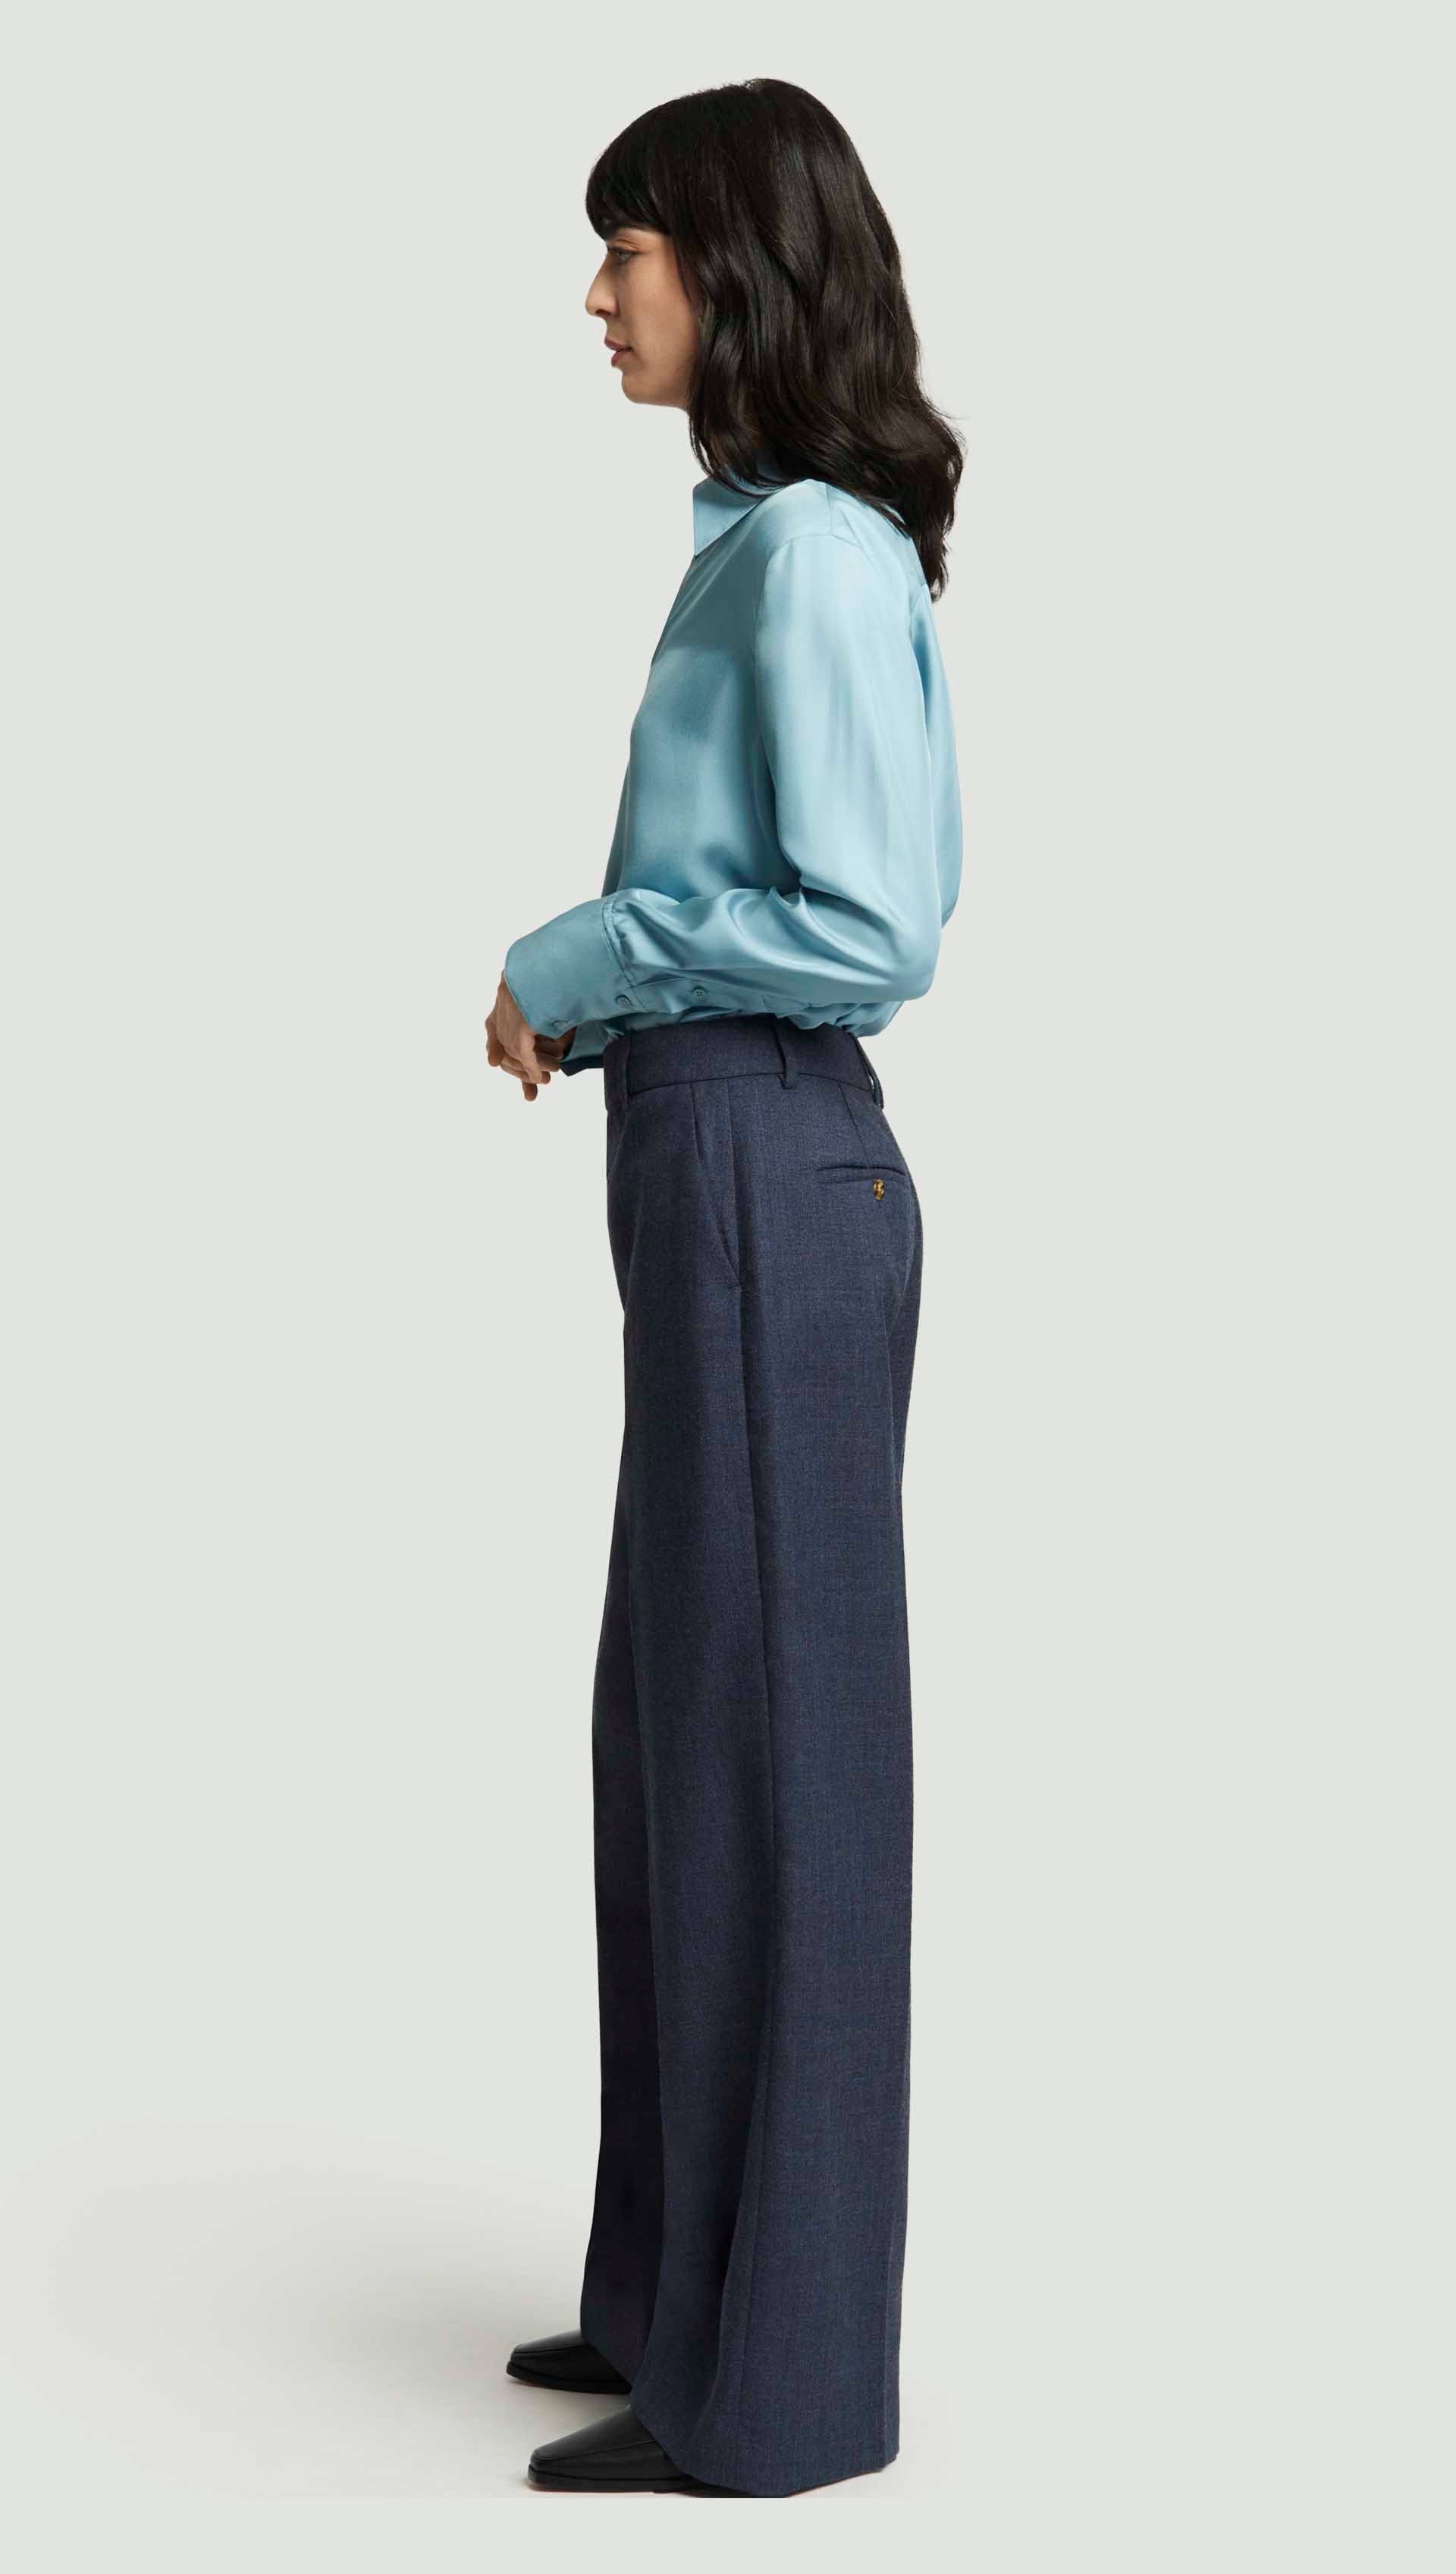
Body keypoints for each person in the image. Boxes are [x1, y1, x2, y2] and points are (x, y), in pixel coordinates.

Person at [485, 77, 963, 2498]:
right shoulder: (766, 542)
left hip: (770, 1157)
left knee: (773, 1764)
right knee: (674, 1737)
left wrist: (580, 955)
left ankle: (770, 2394)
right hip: (721, 1166)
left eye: (634, 248)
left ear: (737, 267)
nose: (600, 293)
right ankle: (676, 2293)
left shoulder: (816, 559)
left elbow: (870, 925)